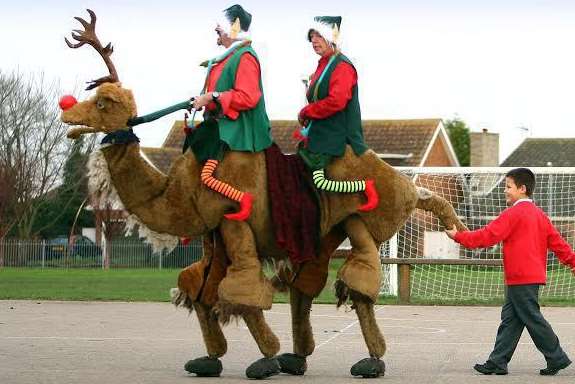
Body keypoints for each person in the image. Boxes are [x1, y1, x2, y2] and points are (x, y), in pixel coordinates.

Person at [445, 167, 575, 376]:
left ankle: (557, 357)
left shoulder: (513, 213)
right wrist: (573, 262)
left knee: (532, 318)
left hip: (521, 278)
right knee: (511, 320)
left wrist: (459, 236)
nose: (505, 191)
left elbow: (487, 236)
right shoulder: (540, 215)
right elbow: (559, 244)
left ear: (522, 189)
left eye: (508, 187)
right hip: (527, 278)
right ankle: (498, 361)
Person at [185, 4, 273, 221]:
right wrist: (202, 101)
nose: (216, 36)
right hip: (221, 120)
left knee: (206, 170)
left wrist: (212, 97)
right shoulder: (227, 57)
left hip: (240, 126)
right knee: (191, 144)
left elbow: (249, 97)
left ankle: (241, 199)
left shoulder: (245, 57)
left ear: (233, 29)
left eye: (218, 31)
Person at [295, 16, 378, 212]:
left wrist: (307, 111)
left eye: (319, 36)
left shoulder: (342, 66)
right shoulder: (325, 63)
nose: (314, 40)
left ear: (332, 38)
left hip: (335, 135)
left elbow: (337, 101)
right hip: (320, 132)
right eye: (312, 36)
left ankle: (365, 187)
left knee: (319, 181)